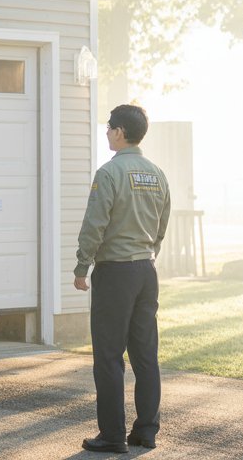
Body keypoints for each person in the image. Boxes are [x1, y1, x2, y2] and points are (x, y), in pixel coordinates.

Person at [75, 104, 171, 454]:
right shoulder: (157, 173)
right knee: (145, 354)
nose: (106, 133)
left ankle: (112, 435)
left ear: (119, 132)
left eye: (108, 127)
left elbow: (94, 224)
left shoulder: (110, 173)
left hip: (115, 272)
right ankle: (146, 431)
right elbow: (161, 226)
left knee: (110, 356)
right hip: (147, 270)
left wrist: (82, 266)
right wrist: (147, 255)